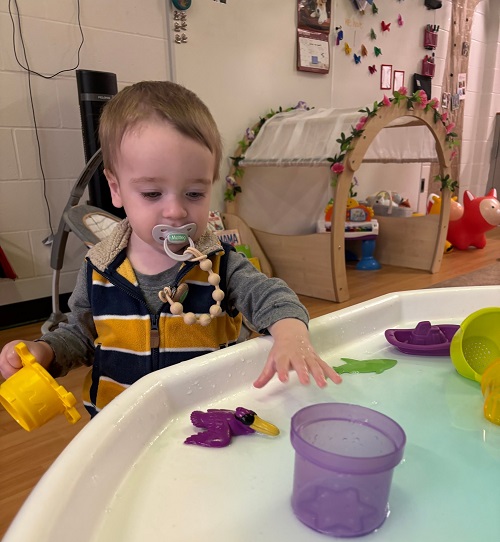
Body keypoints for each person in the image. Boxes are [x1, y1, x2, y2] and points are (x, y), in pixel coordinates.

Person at [0, 81, 341, 417]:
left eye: (194, 194)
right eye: (152, 194)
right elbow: (81, 335)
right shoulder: (99, 268)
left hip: (206, 417)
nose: (176, 212)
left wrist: (291, 333)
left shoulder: (220, 265)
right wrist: (43, 351)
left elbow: (271, 296)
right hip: (119, 422)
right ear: (116, 189)